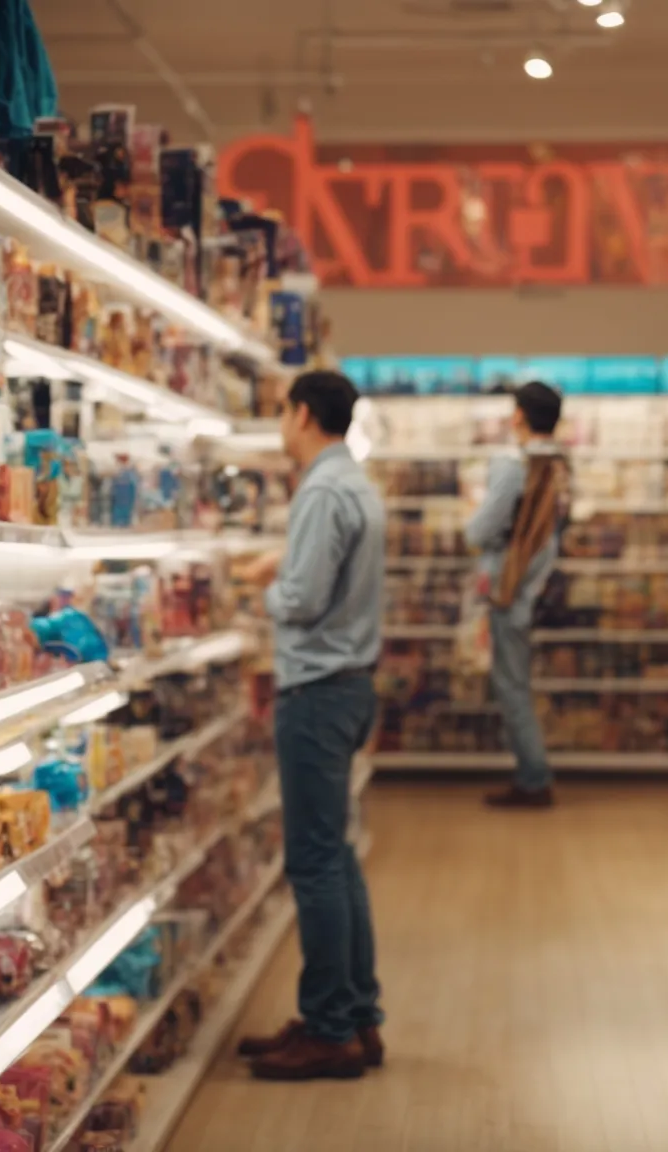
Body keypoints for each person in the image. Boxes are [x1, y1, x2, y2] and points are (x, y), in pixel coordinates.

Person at [233, 370, 387, 1081]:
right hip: (349, 685)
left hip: (318, 691)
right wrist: (285, 564)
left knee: (316, 862)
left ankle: (330, 1030)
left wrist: (268, 582)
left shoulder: (322, 490)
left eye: (282, 414)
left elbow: (302, 599)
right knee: (338, 855)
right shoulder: (352, 483)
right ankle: (353, 1014)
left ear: (302, 414)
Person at [467, 380, 570, 809]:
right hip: (536, 586)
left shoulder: (514, 465)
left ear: (519, 416)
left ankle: (533, 778)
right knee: (517, 683)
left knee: (511, 687)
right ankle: (532, 774)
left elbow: (479, 530)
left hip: (510, 590)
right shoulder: (561, 466)